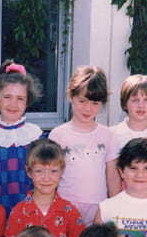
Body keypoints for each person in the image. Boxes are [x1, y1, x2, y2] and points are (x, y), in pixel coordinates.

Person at [3, 138, 85, 237]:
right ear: (29, 172)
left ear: (62, 172)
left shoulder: (70, 211)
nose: (47, 178)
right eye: (39, 171)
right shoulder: (18, 212)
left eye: (53, 171)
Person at [49, 66, 119, 225]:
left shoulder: (108, 135)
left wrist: (114, 208)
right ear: (70, 96)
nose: (88, 108)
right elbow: (51, 174)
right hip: (65, 206)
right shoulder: (58, 135)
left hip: (98, 208)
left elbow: (112, 176)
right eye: (82, 101)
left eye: (95, 103)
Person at [0, 60, 45, 217]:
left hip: (30, 211)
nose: (13, 104)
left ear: (27, 101)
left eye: (20, 99)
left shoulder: (36, 136)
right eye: (7, 97)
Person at [111, 74, 147, 200]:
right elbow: (112, 174)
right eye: (135, 100)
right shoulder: (113, 134)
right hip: (121, 197)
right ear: (125, 103)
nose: (141, 105)